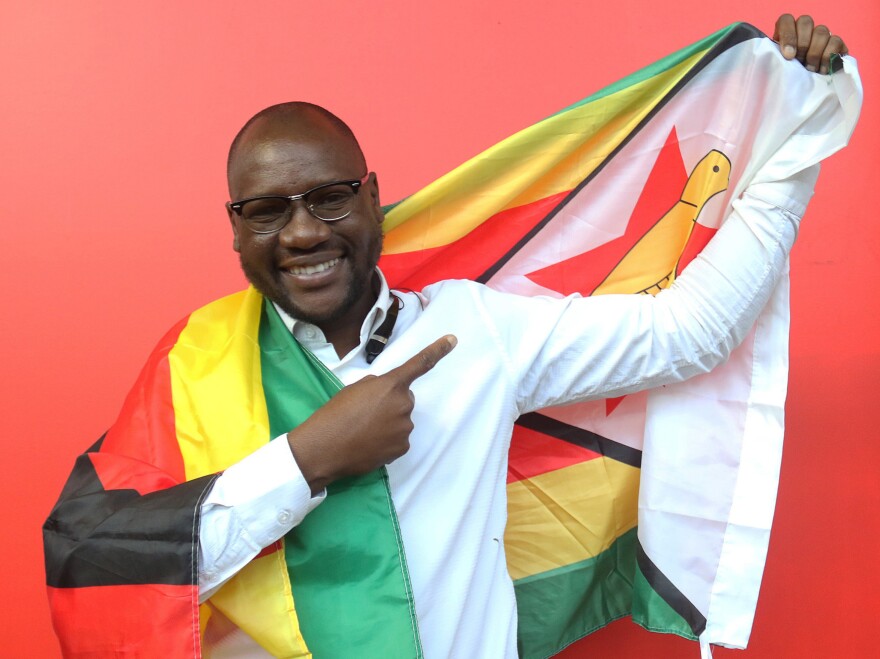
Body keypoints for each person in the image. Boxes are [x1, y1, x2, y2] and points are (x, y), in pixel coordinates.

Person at [45, 14, 852, 658]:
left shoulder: (474, 328)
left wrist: (794, 139)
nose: (300, 233)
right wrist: (308, 457)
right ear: (235, 229)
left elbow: (688, 333)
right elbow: (98, 553)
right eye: (266, 209)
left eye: (328, 197)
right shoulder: (197, 362)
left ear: (372, 199)